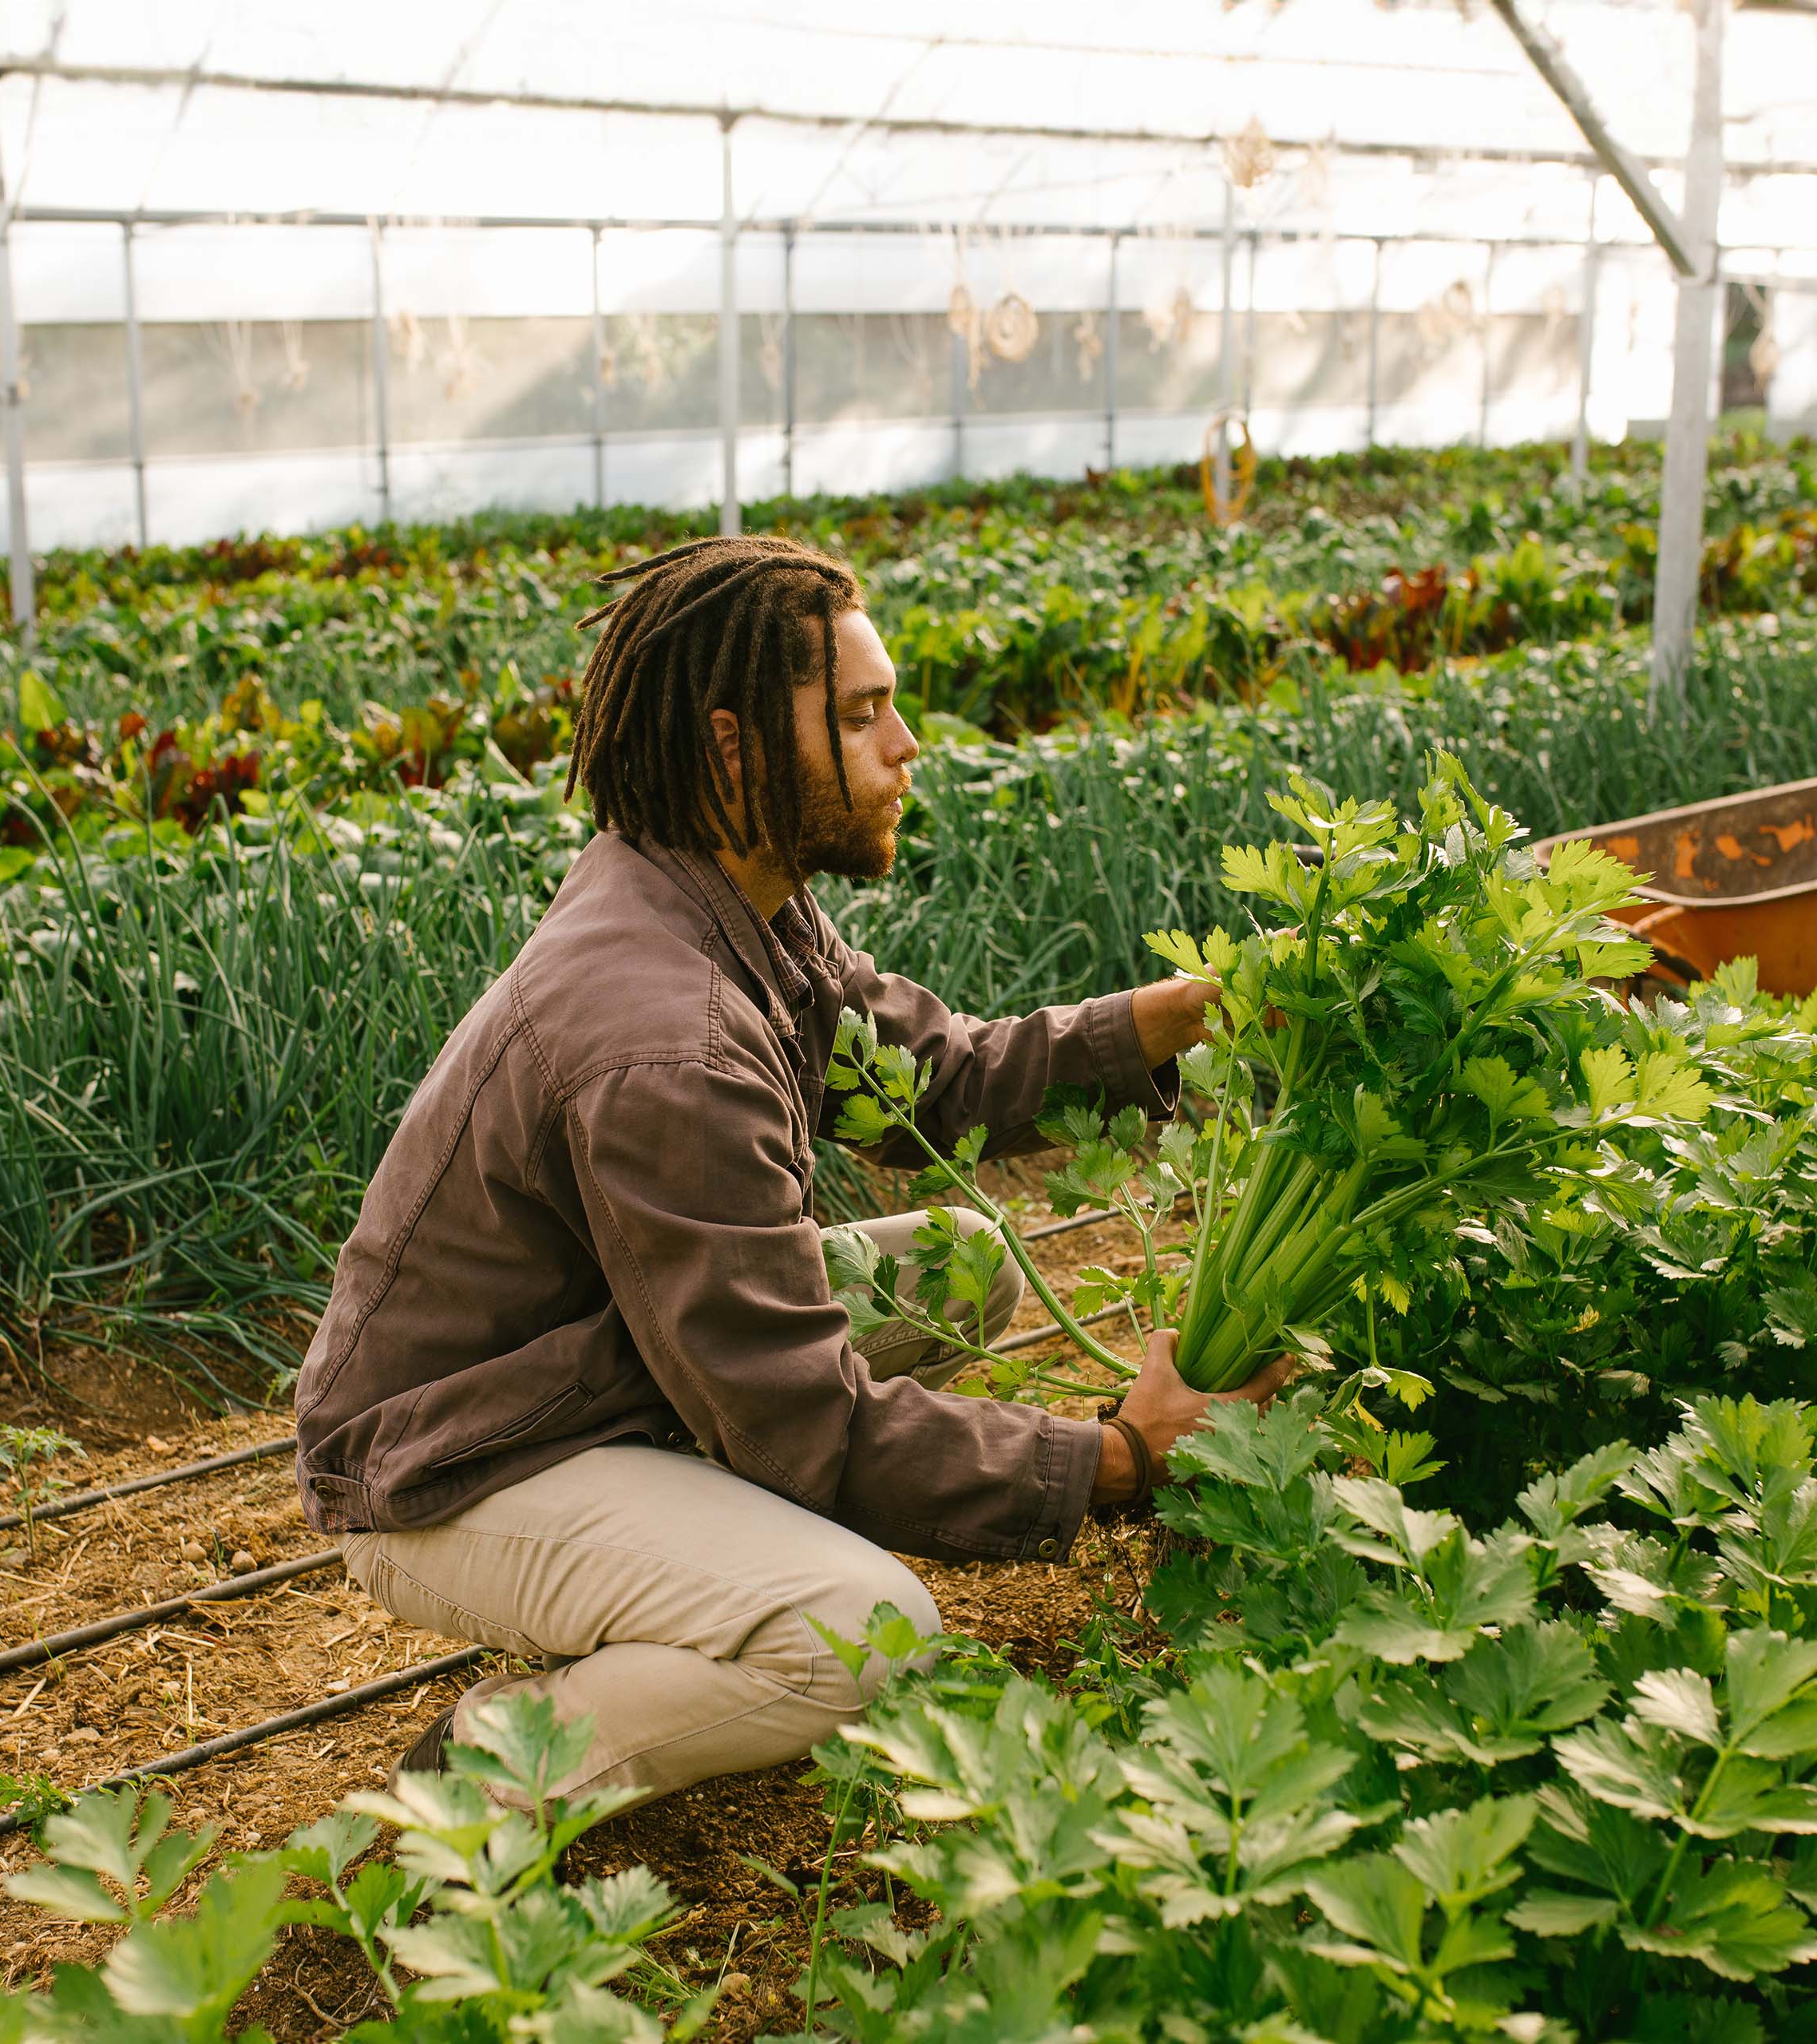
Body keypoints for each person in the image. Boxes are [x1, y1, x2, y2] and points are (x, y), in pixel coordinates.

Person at [292, 534, 1287, 1807]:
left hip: (603, 1371)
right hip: (457, 1463)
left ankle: (683, 1548)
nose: (907, 742)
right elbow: (802, 1423)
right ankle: (481, 1775)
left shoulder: (725, 896)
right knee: (862, 1635)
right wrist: (1119, 1458)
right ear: (732, 749)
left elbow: (939, 1082)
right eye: (863, 714)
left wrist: (1190, 1014)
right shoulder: (668, 1038)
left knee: (963, 1268)